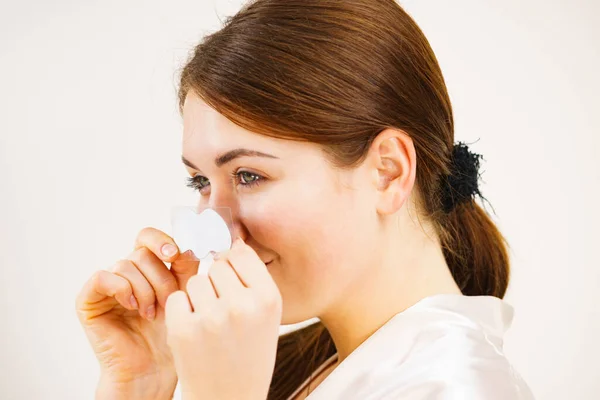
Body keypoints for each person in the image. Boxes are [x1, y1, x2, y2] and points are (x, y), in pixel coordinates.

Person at [75, 0, 535, 399]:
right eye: (200, 182)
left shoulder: (458, 388)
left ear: (387, 172)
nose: (210, 236)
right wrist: (141, 386)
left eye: (249, 175)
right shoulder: (306, 369)